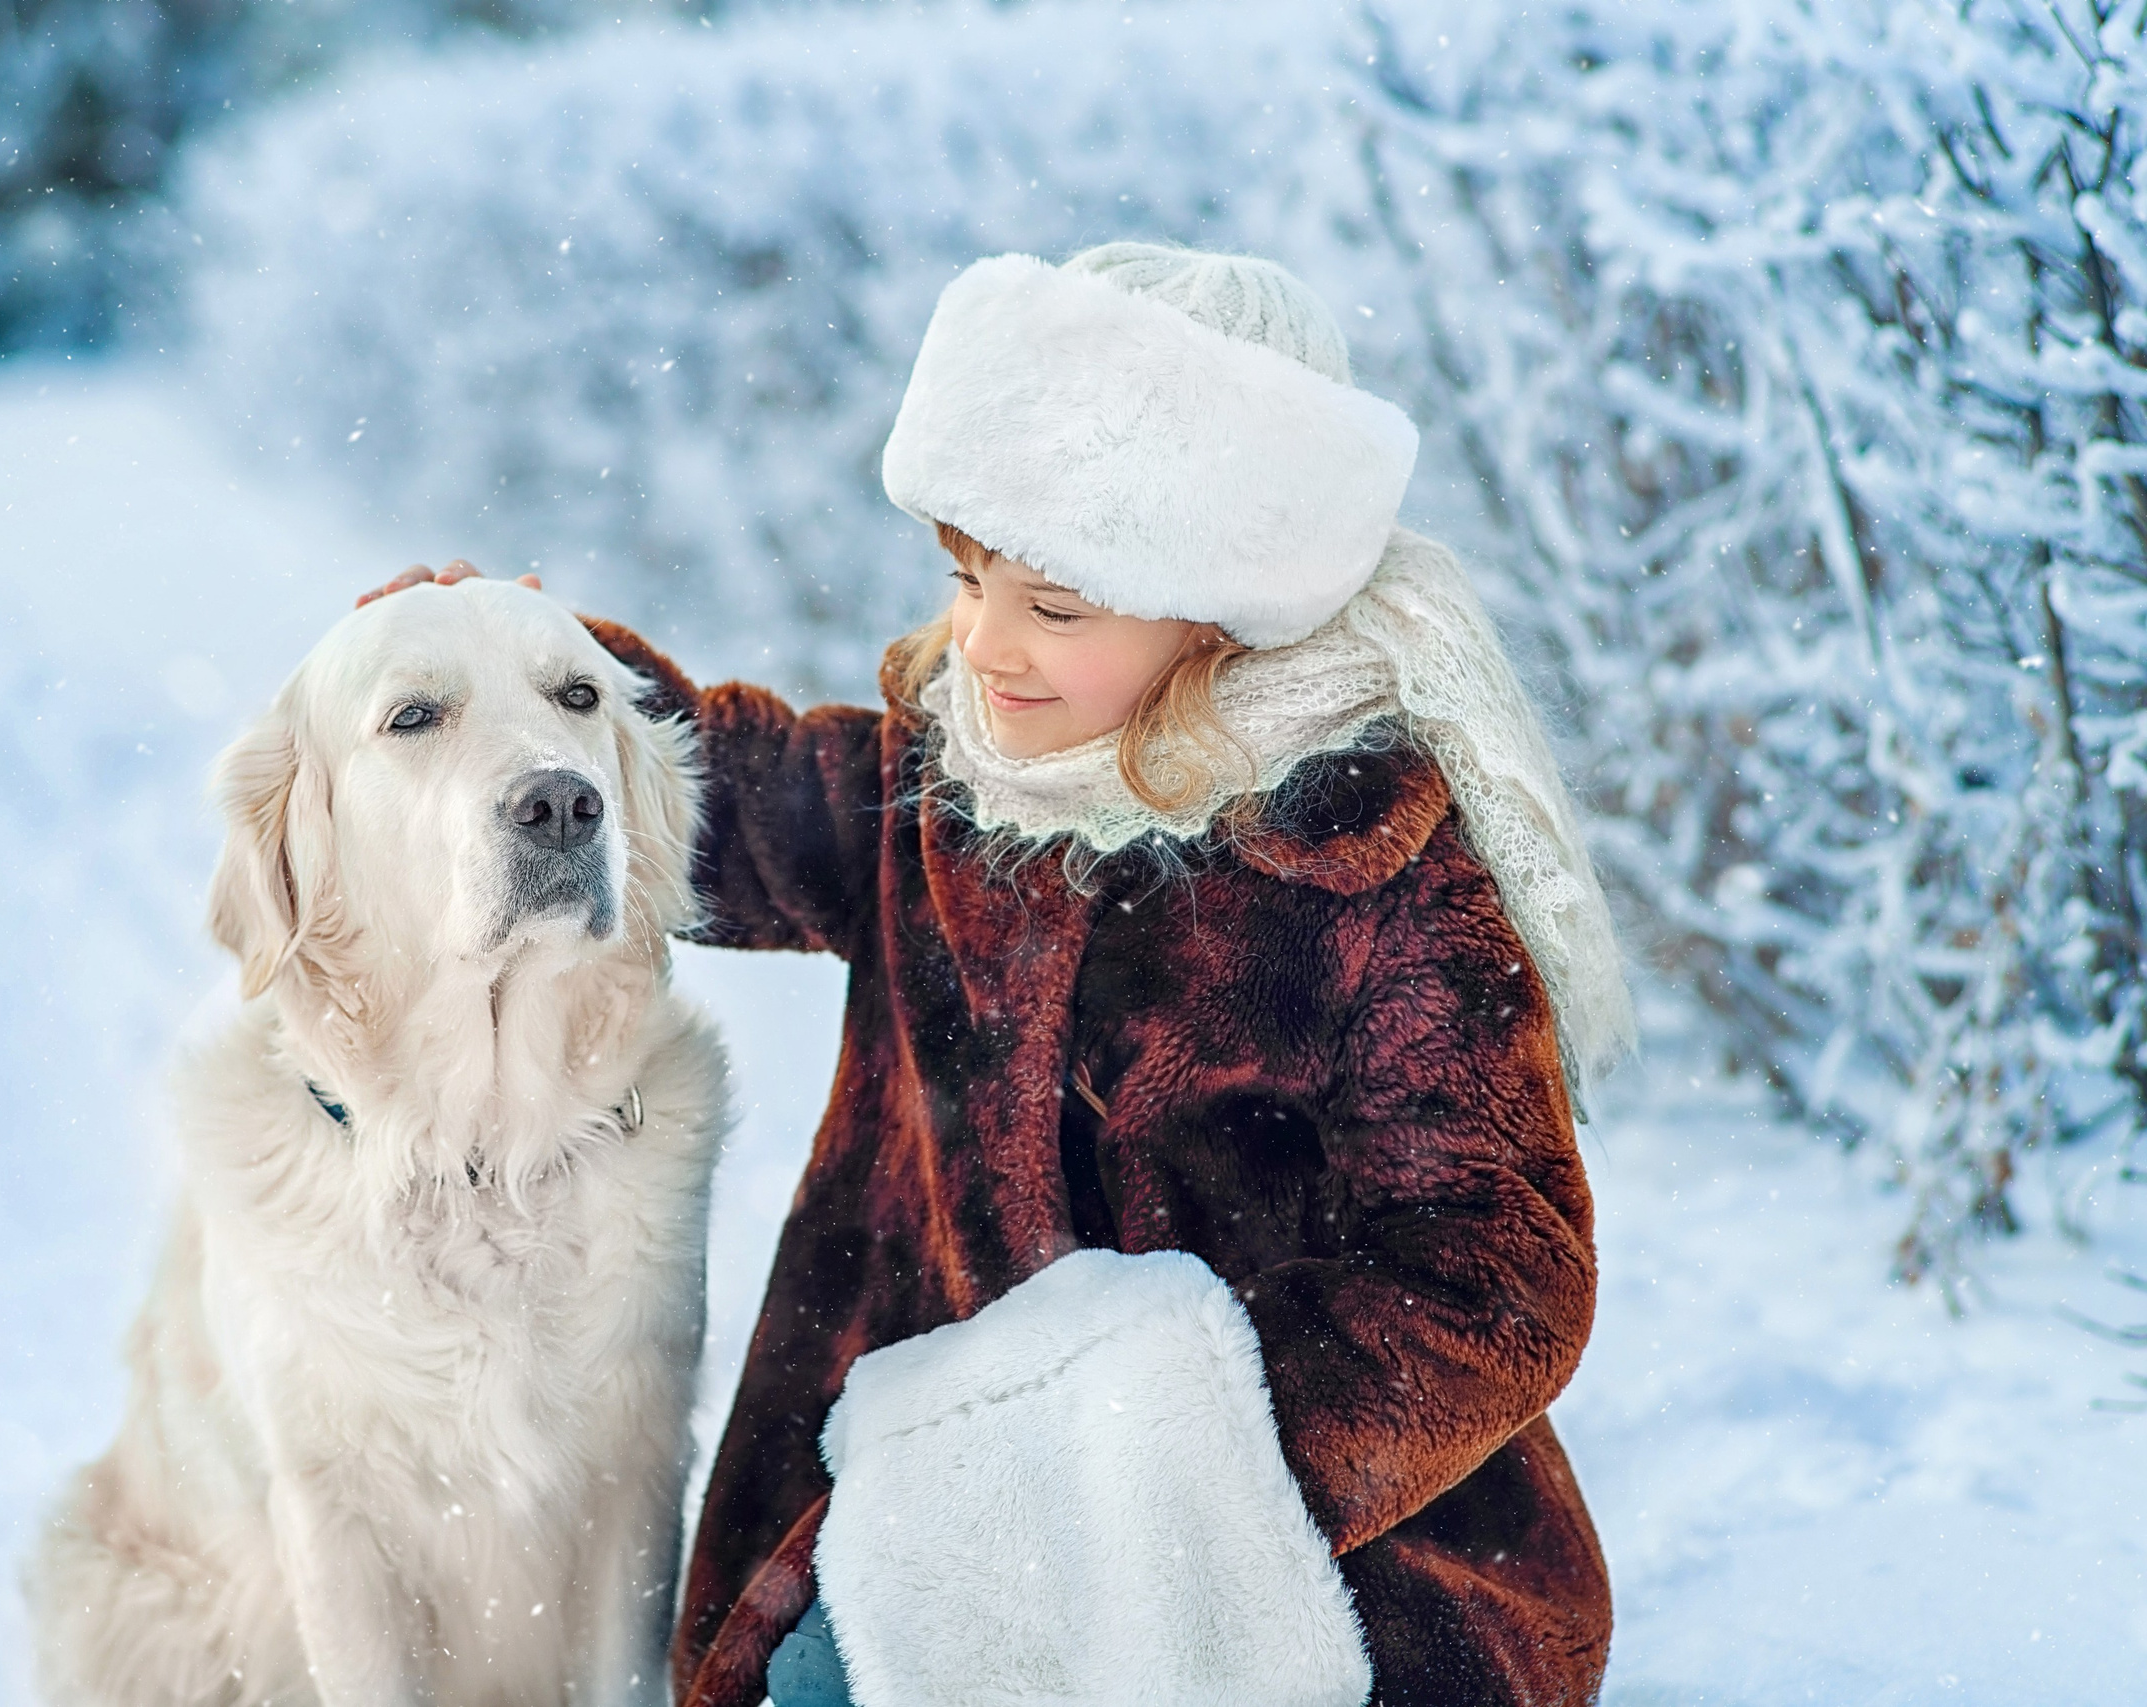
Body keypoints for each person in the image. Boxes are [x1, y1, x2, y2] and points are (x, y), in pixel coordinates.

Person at [367, 243, 1634, 1707]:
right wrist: (539, 677)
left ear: (1215, 609)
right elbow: (723, 807)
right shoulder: (945, 783)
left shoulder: (1366, 872)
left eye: (1055, 607)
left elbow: (1496, 1267)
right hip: (915, 1495)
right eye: (968, 580)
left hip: (1291, 1544)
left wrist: (1161, 1467)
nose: (985, 645)